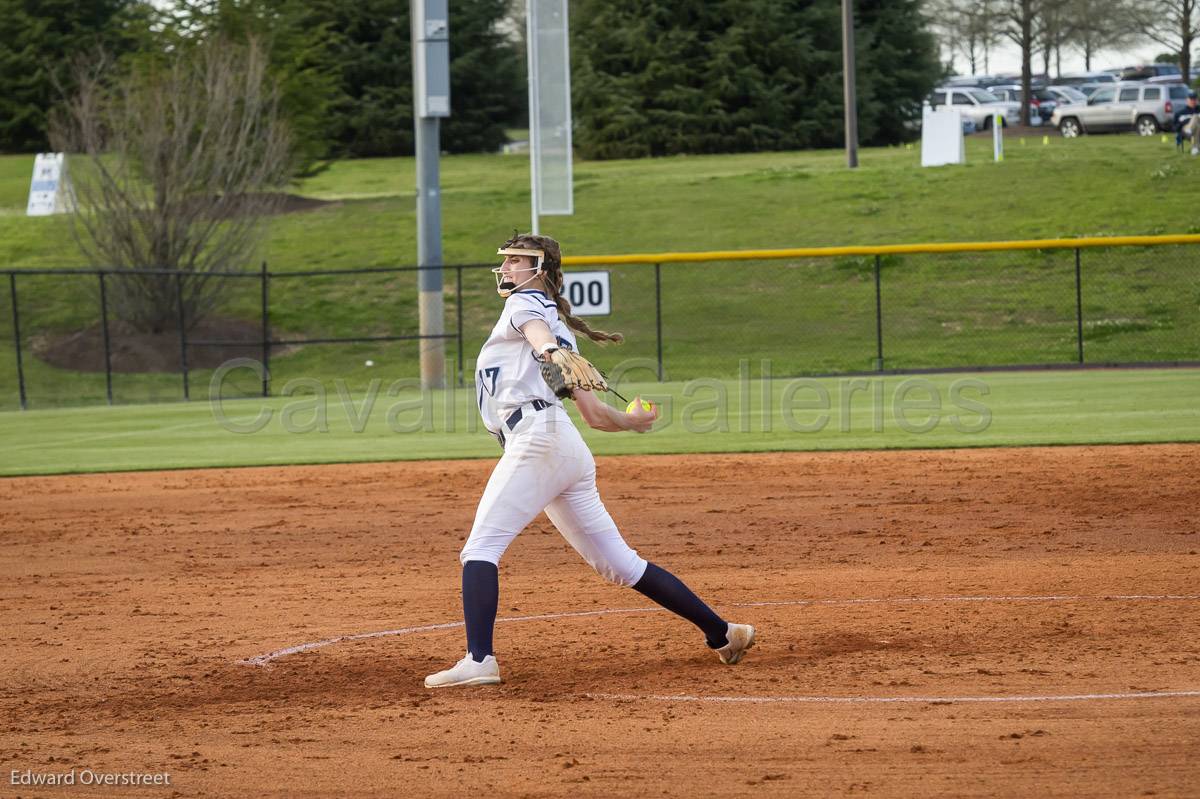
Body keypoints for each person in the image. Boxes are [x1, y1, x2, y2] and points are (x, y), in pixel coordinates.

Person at [424, 233, 756, 688]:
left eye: (517, 261)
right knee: (620, 564)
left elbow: (537, 335)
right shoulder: (557, 332)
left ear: (539, 269)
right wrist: (634, 422)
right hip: (563, 446)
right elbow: (596, 417)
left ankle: (479, 660)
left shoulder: (527, 307)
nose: (507, 269)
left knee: (480, 550)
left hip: (538, 441)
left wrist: (547, 350)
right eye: (507, 261)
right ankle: (723, 633)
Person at [1174, 90, 1199, 155]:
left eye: (1194, 99)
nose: (1193, 101)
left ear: (1197, 100)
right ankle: (1195, 148)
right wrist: (1183, 121)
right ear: (1187, 100)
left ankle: (1195, 149)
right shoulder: (1180, 113)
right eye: (1191, 99)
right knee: (1196, 116)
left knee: (1197, 126)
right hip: (1185, 132)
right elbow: (1175, 127)